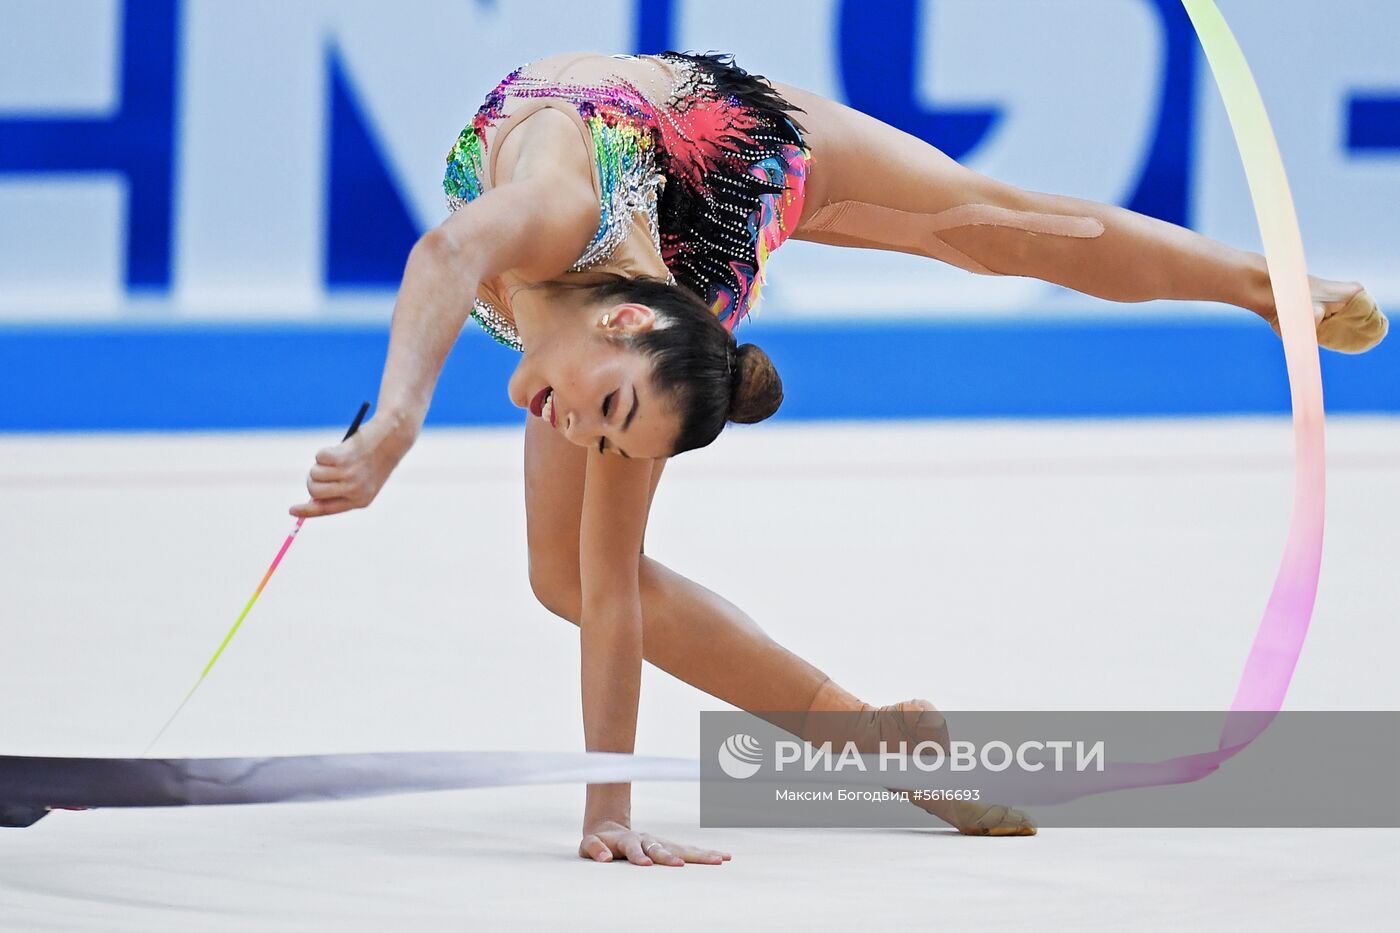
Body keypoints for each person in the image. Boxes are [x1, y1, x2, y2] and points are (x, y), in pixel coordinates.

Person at [289, 50, 1387, 866]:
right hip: (667, 177)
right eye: (605, 421)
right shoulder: (560, 233)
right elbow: (448, 252)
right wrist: (394, 424)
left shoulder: (628, 343)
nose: (576, 433)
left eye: (604, 428)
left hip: (730, 156)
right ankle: (874, 740)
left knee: (987, 222)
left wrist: (607, 808)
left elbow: (619, 569)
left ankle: (1268, 287)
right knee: (566, 579)